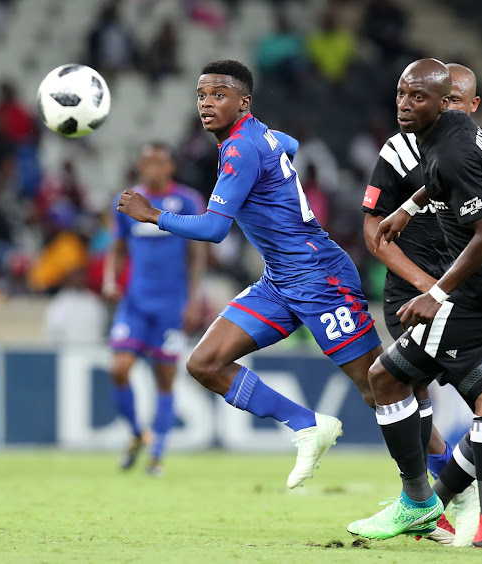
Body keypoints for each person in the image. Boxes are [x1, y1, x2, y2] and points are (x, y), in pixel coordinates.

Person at [116, 60, 383, 489]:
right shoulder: (256, 137)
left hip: (319, 276)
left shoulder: (240, 149)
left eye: (218, 95)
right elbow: (289, 144)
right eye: (202, 95)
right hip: (280, 280)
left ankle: (446, 484)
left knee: (378, 388)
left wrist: (152, 215)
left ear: (244, 103)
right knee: (205, 363)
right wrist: (272, 159)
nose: (206, 103)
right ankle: (307, 424)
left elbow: (214, 229)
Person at [348, 59, 482, 550]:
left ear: (449, 104)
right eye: (401, 93)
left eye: (418, 97)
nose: (404, 104)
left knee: (385, 378)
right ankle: (477, 519)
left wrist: (435, 293)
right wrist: (407, 208)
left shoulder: (455, 149)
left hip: (479, 292)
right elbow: (441, 178)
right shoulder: (452, 137)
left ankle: (420, 506)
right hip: (480, 290)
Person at [104, 143, 207, 476]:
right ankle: (137, 433)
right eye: (146, 161)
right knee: (119, 368)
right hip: (134, 303)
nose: (150, 168)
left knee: (164, 378)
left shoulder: (187, 201)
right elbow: (117, 247)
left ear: (170, 167)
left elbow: (197, 255)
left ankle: (157, 454)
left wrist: (193, 301)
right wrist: (109, 280)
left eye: (158, 162)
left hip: (171, 307)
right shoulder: (128, 201)